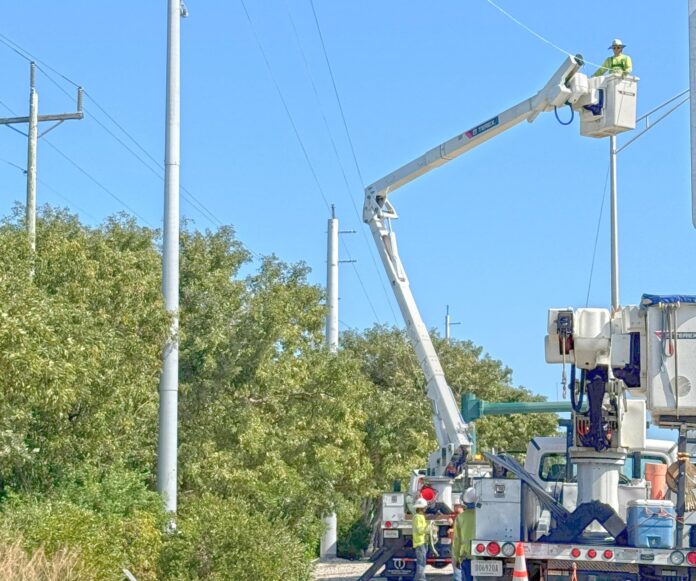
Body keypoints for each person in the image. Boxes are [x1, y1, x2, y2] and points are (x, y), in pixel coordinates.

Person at [452, 487, 477, 581]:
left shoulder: (460, 517)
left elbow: (457, 540)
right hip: (482, 556)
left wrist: (457, 558)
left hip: (466, 555)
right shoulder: (484, 516)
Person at [412, 497, 429, 581]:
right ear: (421, 508)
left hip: (422, 542)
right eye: (425, 507)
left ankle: (418, 579)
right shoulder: (418, 517)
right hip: (419, 542)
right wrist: (428, 528)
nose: (426, 508)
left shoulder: (420, 516)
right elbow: (419, 530)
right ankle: (421, 579)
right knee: (421, 562)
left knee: (422, 562)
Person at [448, 497, 465, 581]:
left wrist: (452, 530)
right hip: (455, 543)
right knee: (455, 564)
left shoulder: (462, 517)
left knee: (458, 564)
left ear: (461, 506)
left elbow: (462, 530)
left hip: (460, 545)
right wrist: (450, 519)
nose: (454, 508)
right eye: (454, 506)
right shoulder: (455, 515)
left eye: (456, 506)